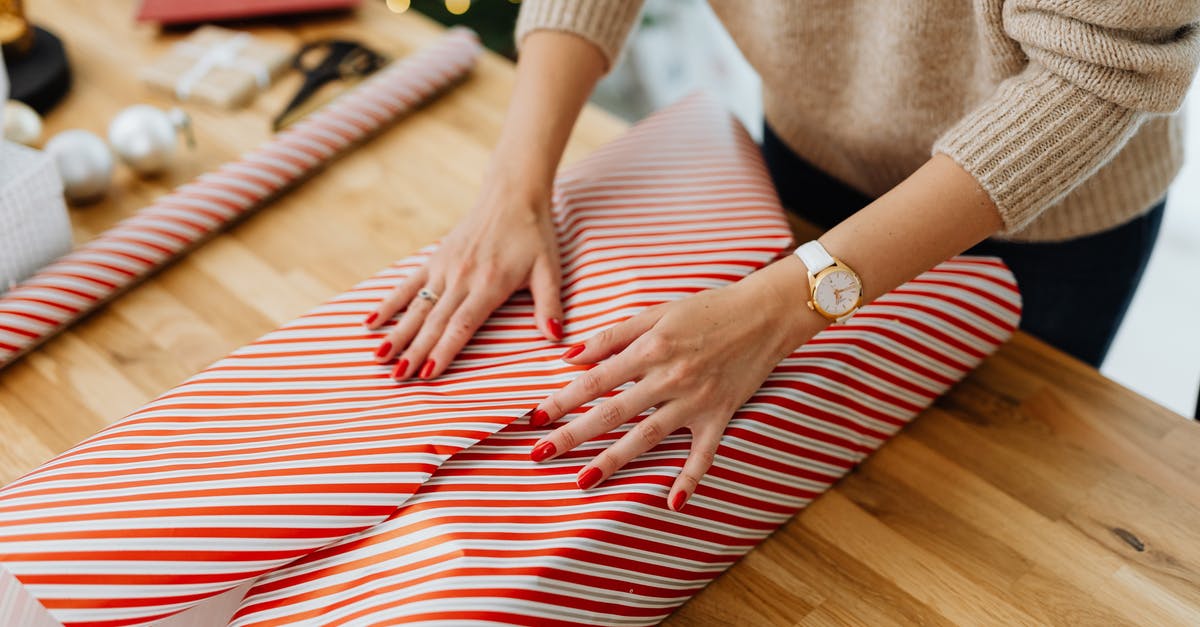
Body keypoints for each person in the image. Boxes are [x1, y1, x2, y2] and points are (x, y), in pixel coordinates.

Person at [365, 1, 1200, 511]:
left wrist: (782, 306)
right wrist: (514, 184)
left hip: (1045, 219)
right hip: (806, 148)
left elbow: (1094, 71)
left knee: (968, 502)